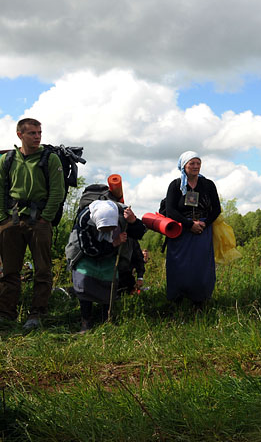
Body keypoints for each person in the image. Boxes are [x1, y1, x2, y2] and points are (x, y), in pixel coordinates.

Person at [0, 118, 65, 330]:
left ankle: (37, 313)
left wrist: (46, 217)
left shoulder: (50, 158)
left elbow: (58, 192)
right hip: (12, 221)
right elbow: (0, 189)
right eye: (32, 133)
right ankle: (6, 314)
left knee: (42, 270)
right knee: (9, 271)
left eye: (39, 132)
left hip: (39, 221)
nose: (37, 137)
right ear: (20, 135)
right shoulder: (7, 159)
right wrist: (3, 218)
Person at [68, 200, 145, 331]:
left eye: (111, 228)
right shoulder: (84, 220)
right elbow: (89, 249)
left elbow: (140, 233)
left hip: (110, 256)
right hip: (86, 255)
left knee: (109, 284)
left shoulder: (122, 214)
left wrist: (133, 221)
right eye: (103, 229)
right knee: (84, 281)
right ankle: (86, 321)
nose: (107, 231)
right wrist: (114, 242)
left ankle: (106, 320)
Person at [164, 151, 221, 306]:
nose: (196, 166)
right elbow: (171, 210)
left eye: (198, 163)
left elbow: (216, 208)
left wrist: (205, 223)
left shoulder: (208, 185)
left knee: (201, 266)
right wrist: (189, 225)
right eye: (192, 163)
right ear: (184, 166)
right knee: (179, 265)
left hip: (203, 230)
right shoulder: (176, 186)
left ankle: (200, 300)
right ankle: (177, 299)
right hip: (181, 231)